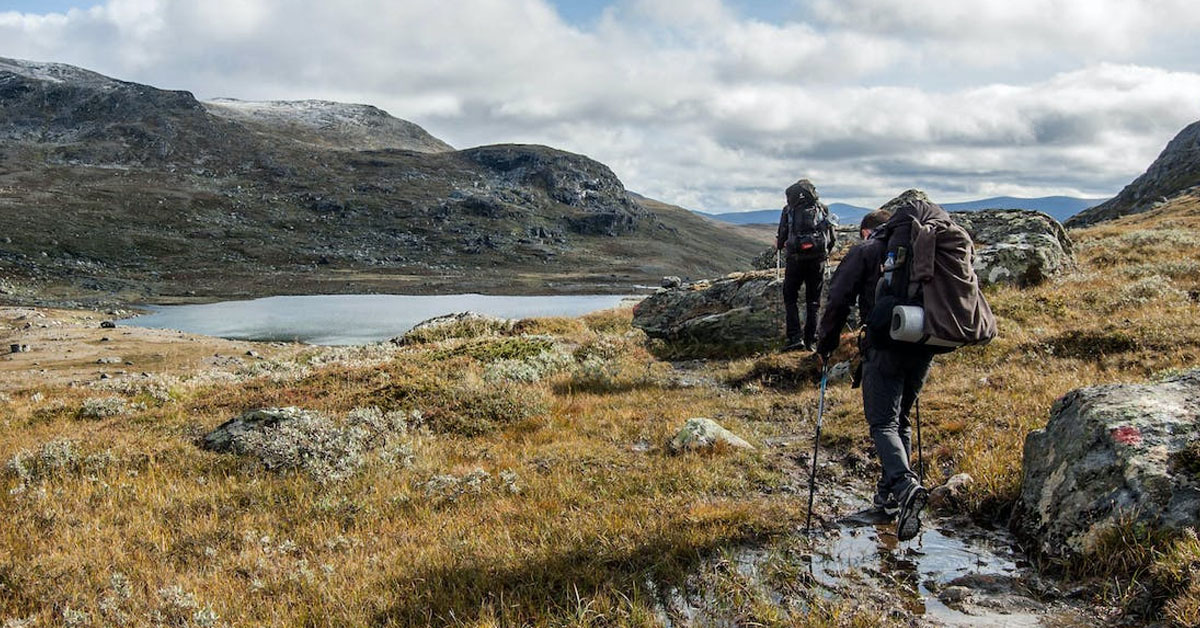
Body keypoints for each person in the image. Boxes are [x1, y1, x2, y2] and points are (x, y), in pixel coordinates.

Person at [814, 207, 931, 541]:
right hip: (923, 340)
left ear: (868, 231)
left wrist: (825, 345)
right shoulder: (925, 246)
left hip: (885, 344)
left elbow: (838, 300)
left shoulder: (866, 250)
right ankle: (889, 501)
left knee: (883, 422)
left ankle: (905, 488)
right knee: (900, 419)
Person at [775, 179, 836, 351]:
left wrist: (780, 245)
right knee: (813, 301)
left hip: (795, 260)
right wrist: (825, 254)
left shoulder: (788, 210)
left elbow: (782, 237)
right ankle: (811, 341)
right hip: (817, 260)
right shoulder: (822, 208)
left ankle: (795, 338)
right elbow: (831, 237)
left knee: (790, 297)